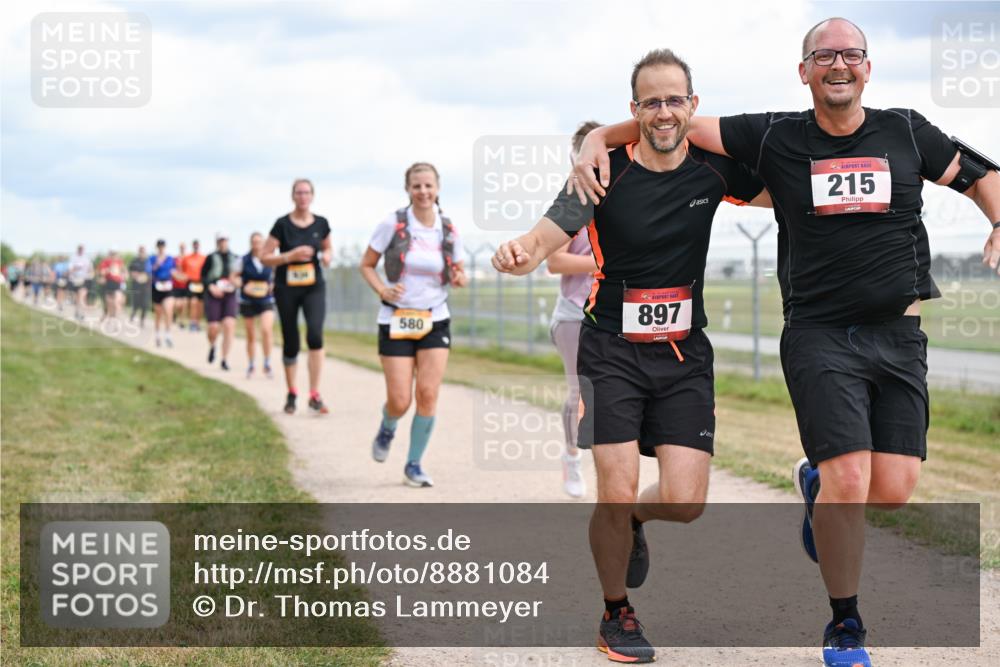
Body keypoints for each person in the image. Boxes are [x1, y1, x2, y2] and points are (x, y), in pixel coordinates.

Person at [571, 18, 1000, 667]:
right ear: (804, 71)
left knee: (893, 488)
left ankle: (813, 484)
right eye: (823, 55)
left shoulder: (907, 129)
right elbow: (678, 120)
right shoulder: (774, 134)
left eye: (850, 54)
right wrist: (600, 137)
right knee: (850, 476)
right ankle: (845, 624)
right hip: (819, 335)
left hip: (898, 336)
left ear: (867, 67)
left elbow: (978, 173)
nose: (838, 64)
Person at [495, 50, 767, 663]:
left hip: (683, 355)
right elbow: (541, 239)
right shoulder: (600, 173)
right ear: (634, 110)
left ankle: (641, 522)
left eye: (675, 100)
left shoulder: (716, 171)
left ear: (693, 107)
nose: (664, 112)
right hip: (610, 351)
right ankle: (616, 612)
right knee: (612, 490)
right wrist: (517, 252)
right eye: (652, 101)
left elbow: (791, 194)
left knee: (687, 502)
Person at [361, 162, 469, 489]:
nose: (423, 192)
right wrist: (382, 288)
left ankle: (414, 464)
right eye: (416, 186)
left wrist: (459, 277)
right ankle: (388, 425)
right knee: (400, 399)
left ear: (437, 189)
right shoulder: (391, 225)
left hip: (435, 317)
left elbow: (458, 269)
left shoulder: (448, 229)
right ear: (407, 189)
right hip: (396, 317)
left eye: (428, 186)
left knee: (427, 393)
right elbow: (366, 264)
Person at [548, 121, 601, 498]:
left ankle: (609, 467)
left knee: (609, 394)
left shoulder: (622, 196)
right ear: (575, 157)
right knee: (579, 393)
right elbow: (555, 262)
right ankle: (571, 458)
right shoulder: (570, 200)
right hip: (573, 314)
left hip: (613, 312)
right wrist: (603, 262)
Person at [261, 178, 333, 415]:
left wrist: (327, 257)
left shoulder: (321, 223)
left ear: (312, 196)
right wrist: (288, 256)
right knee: (291, 340)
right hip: (286, 287)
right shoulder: (282, 224)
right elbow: (264, 256)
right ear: (293, 196)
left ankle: (314, 393)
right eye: (299, 193)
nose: (303, 197)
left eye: (307, 192)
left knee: (315, 334)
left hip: (313, 286)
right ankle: (292, 392)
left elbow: (327, 247)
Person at [201, 233, 241, 371]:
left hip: (230, 294)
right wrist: (211, 286)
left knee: (229, 325)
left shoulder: (236, 258)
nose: (223, 243)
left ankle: (224, 359)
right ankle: (212, 346)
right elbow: (203, 276)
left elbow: (241, 276)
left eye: (225, 240)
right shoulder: (210, 257)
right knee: (213, 327)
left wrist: (236, 283)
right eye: (220, 240)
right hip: (214, 294)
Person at [239, 232, 275, 378]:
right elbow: (234, 277)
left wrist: (273, 285)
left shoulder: (271, 258)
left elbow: (277, 275)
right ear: (250, 243)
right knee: (251, 335)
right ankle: (251, 364)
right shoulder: (243, 260)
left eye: (259, 241)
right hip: (248, 300)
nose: (257, 244)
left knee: (266, 330)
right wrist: (243, 286)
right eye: (254, 241)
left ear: (263, 243)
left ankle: (267, 362)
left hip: (266, 299)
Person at [147, 239, 177, 347]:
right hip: (156, 287)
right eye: (159, 246)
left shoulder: (170, 259)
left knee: (168, 310)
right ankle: (157, 334)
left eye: (163, 246)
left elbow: (174, 271)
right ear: (157, 247)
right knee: (158, 313)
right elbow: (148, 272)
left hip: (168, 287)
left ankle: (168, 334)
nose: (161, 248)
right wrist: (156, 264)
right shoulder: (152, 259)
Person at [181, 239, 206, 331]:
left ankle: (197, 323)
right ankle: (192, 322)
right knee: (193, 302)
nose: (196, 246)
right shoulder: (187, 258)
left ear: (199, 246)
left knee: (200, 304)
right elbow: (183, 270)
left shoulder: (203, 258)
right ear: (193, 246)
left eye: (197, 245)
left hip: (200, 282)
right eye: (194, 245)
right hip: (191, 282)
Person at [98, 250, 126, 319]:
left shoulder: (120, 262)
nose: (114, 256)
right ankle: (108, 314)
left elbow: (124, 272)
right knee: (109, 302)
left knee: (117, 301)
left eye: (115, 254)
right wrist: (109, 269)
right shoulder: (105, 262)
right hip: (109, 283)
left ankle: (116, 317)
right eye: (113, 254)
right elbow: (102, 272)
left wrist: (124, 277)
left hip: (118, 283)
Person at [68, 245, 93, 320]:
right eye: (80, 249)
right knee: (77, 297)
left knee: (82, 295)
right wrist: (76, 268)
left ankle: (82, 313)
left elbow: (90, 268)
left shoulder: (86, 258)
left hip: (84, 279)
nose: (81, 251)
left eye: (82, 249)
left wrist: (90, 273)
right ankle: (77, 311)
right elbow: (70, 269)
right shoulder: (73, 258)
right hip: (75, 279)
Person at [128, 245, 151, 327]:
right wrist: (135, 275)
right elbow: (130, 271)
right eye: (140, 251)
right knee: (136, 302)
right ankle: (133, 315)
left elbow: (151, 273)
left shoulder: (148, 261)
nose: (142, 253)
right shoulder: (134, 261)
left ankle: (142, 320)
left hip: (146, 286)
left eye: (143, 251)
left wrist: (147, 277)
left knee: (145, 304)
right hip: (136, 285)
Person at [171, 242, 190, 328]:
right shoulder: (175, 259)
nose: (182, 248)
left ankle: (181, 321)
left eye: (184, 247)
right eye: (181, 247)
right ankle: (174, 314)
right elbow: (172, 270)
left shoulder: (188, 258)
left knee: (184, 304)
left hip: (185, 284)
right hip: (176, 284)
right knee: (177, 304)